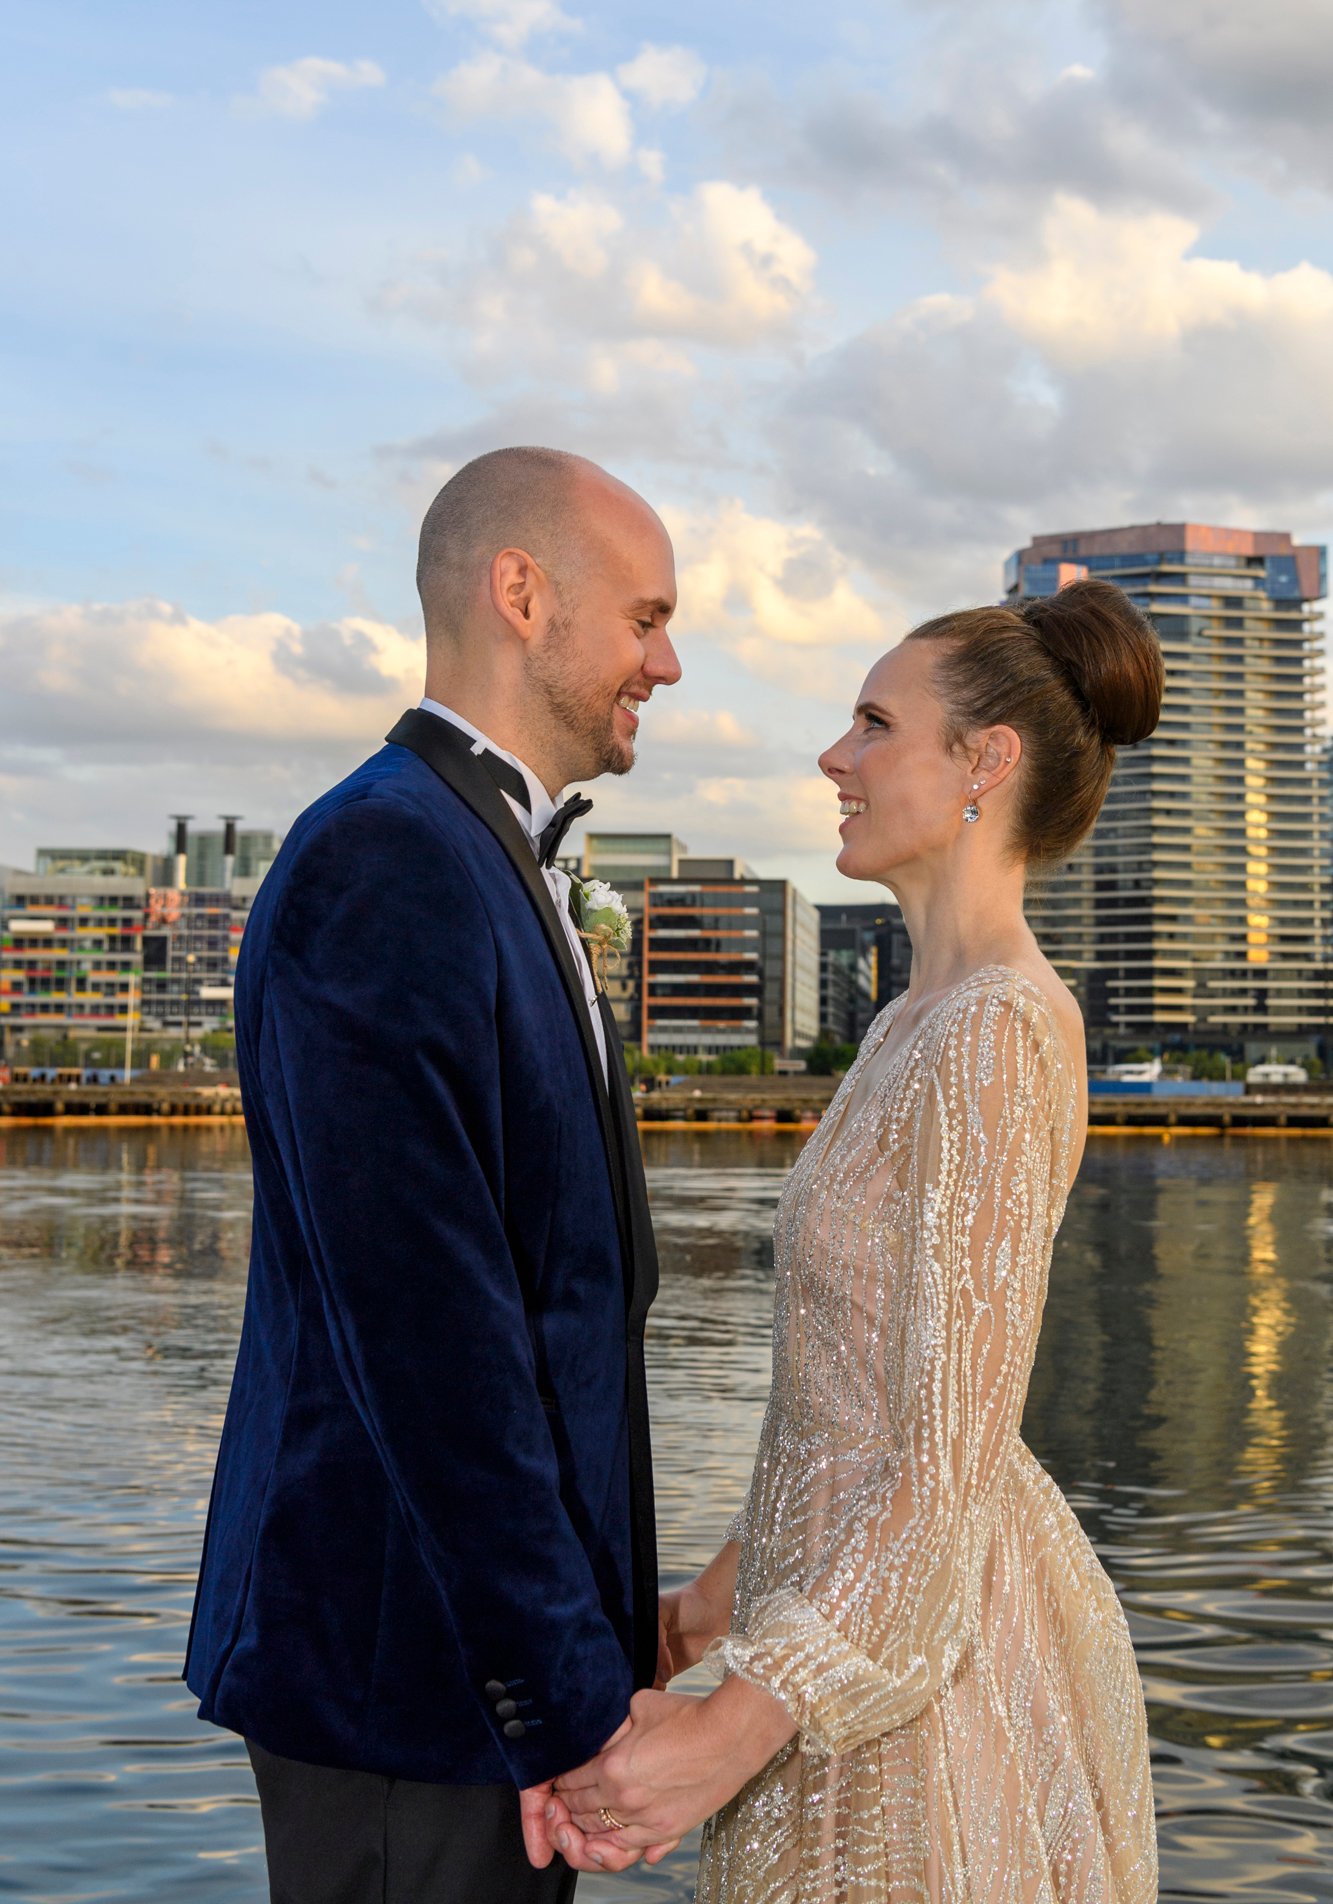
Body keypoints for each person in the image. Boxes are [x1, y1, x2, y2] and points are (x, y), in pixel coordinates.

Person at [549, 577, 1163, 1902]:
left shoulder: (995, 1030)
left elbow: (942, 1463)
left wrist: (730, 1729)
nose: (835, 756)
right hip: (826, 1624)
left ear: (984, 764)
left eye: (875, 724)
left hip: (918, 1678)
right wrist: (706, 1611)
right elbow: (845, 1404)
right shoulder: (907, 1023)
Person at [183, 446, 682, 1903]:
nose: (666, 663)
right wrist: (560, 1697)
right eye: (645, 618)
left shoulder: (469, 850)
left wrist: (602, 1643)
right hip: (409, 1680)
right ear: (520, 594)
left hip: (472, 1677)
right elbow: (429, 1341)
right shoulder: (386, 859)